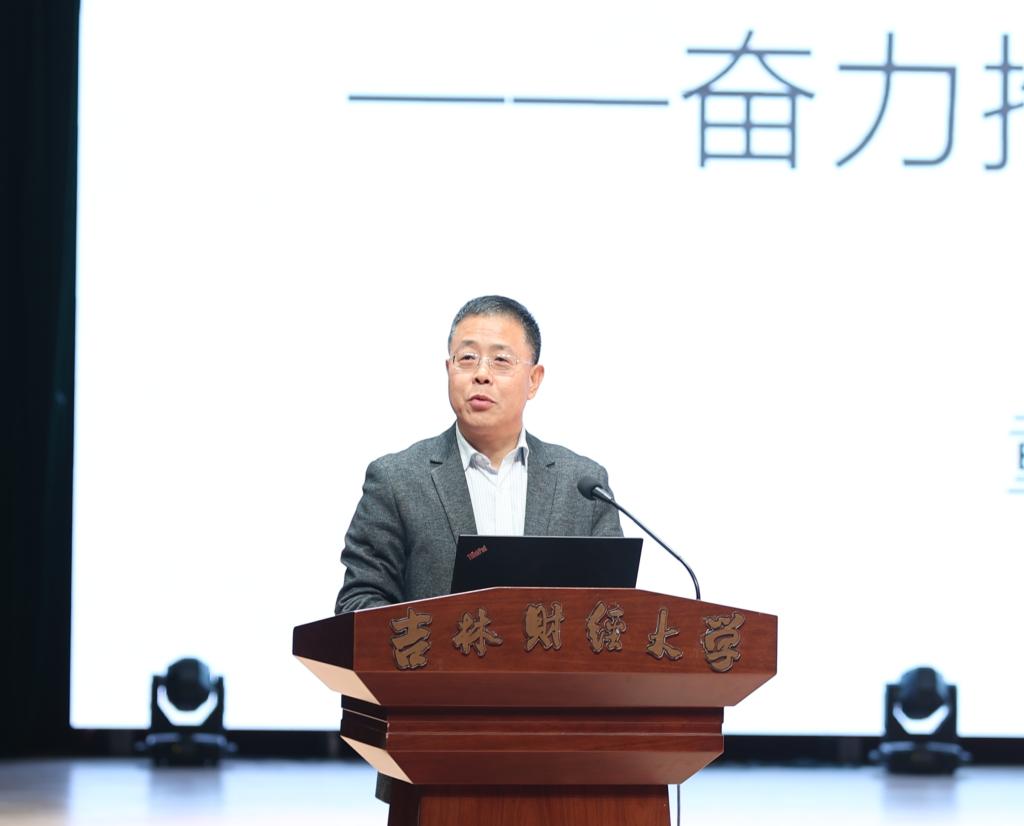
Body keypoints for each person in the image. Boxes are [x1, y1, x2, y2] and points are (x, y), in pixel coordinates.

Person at [334, 295, 622, 615]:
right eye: (468, 358)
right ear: (449, 369)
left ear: (534, 380)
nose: (481, 374)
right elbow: (358, 601)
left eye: (501, 360)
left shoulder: (584, 486)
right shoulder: (396, 480)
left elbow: (615, 608)